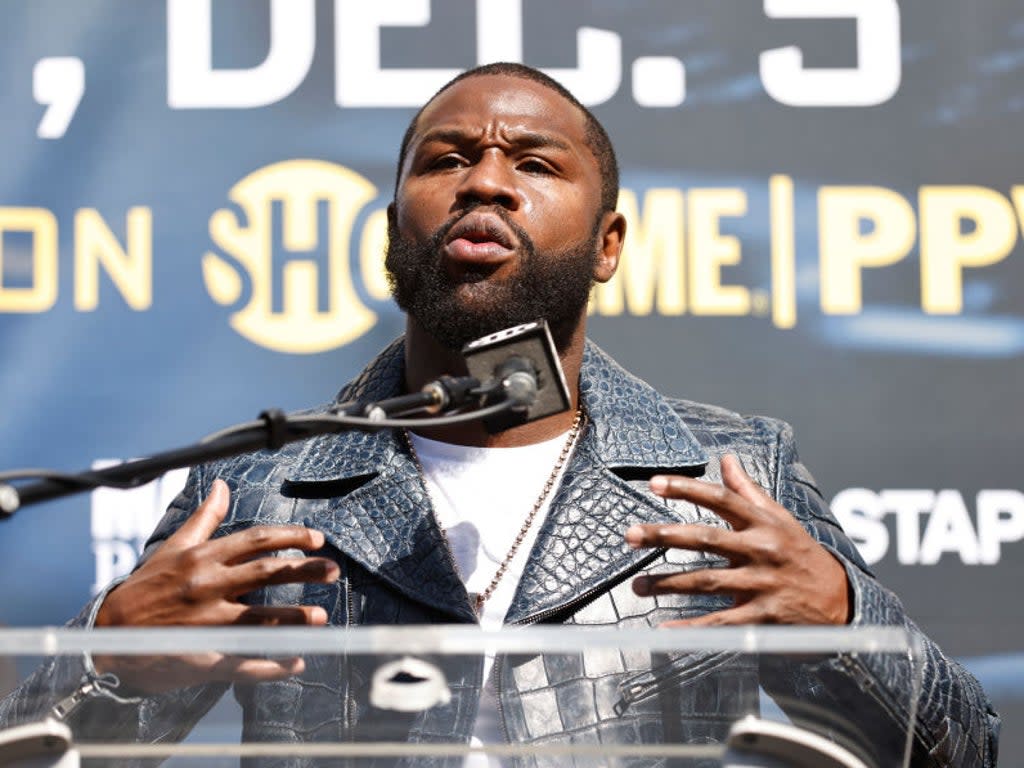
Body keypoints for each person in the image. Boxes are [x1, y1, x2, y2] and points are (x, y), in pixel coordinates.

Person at [1, 63, 998, 766]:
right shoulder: (263, 484)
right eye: (446, 160)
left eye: (534, 163)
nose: (484, 181)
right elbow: (41, 754)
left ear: (607, 243)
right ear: (397, 226)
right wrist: (109, 658)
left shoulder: (730, 472)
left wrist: (842, 621)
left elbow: (963, 751)